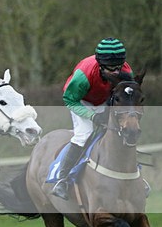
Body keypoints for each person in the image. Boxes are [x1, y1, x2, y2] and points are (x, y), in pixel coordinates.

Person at [50, 37, 133, 200]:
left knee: (123, 131)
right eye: (111, 69)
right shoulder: (84, 75)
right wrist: (93, 116)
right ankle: (63, 179)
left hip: (105, 99)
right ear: (101, 66)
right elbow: (69, 99)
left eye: (118, 67)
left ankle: (134, 175)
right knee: (84, 134)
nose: (117, 73)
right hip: (81, 100)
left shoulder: (126, 71)